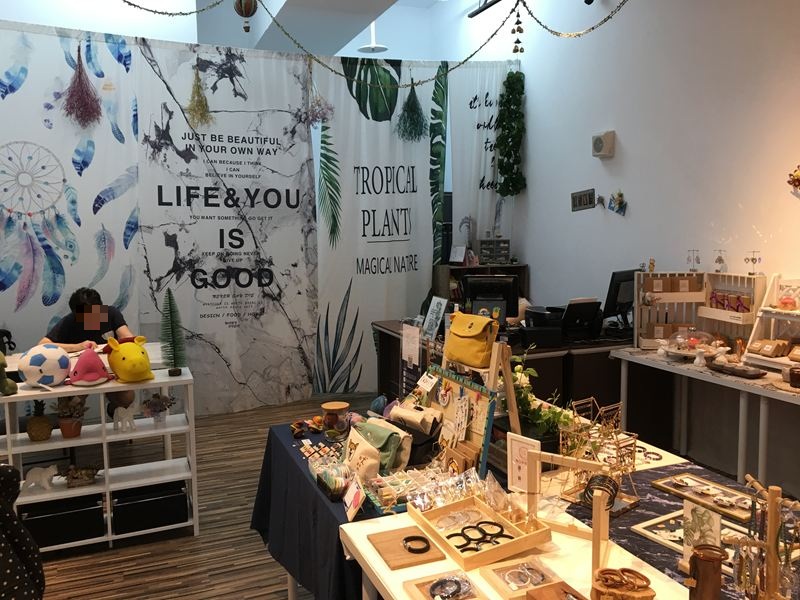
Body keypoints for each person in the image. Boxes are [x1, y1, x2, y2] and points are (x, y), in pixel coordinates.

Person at [39, 288, 135, 416]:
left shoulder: (111, 313)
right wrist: (78, 346)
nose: (91, 319)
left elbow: (127, 337)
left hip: (110, 370)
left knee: (127, 397)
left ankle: (115, 411)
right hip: (79, 373)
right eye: (84, 316)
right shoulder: (70, 321)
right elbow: (43, 344)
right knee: (71, 404)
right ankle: (73, 424)